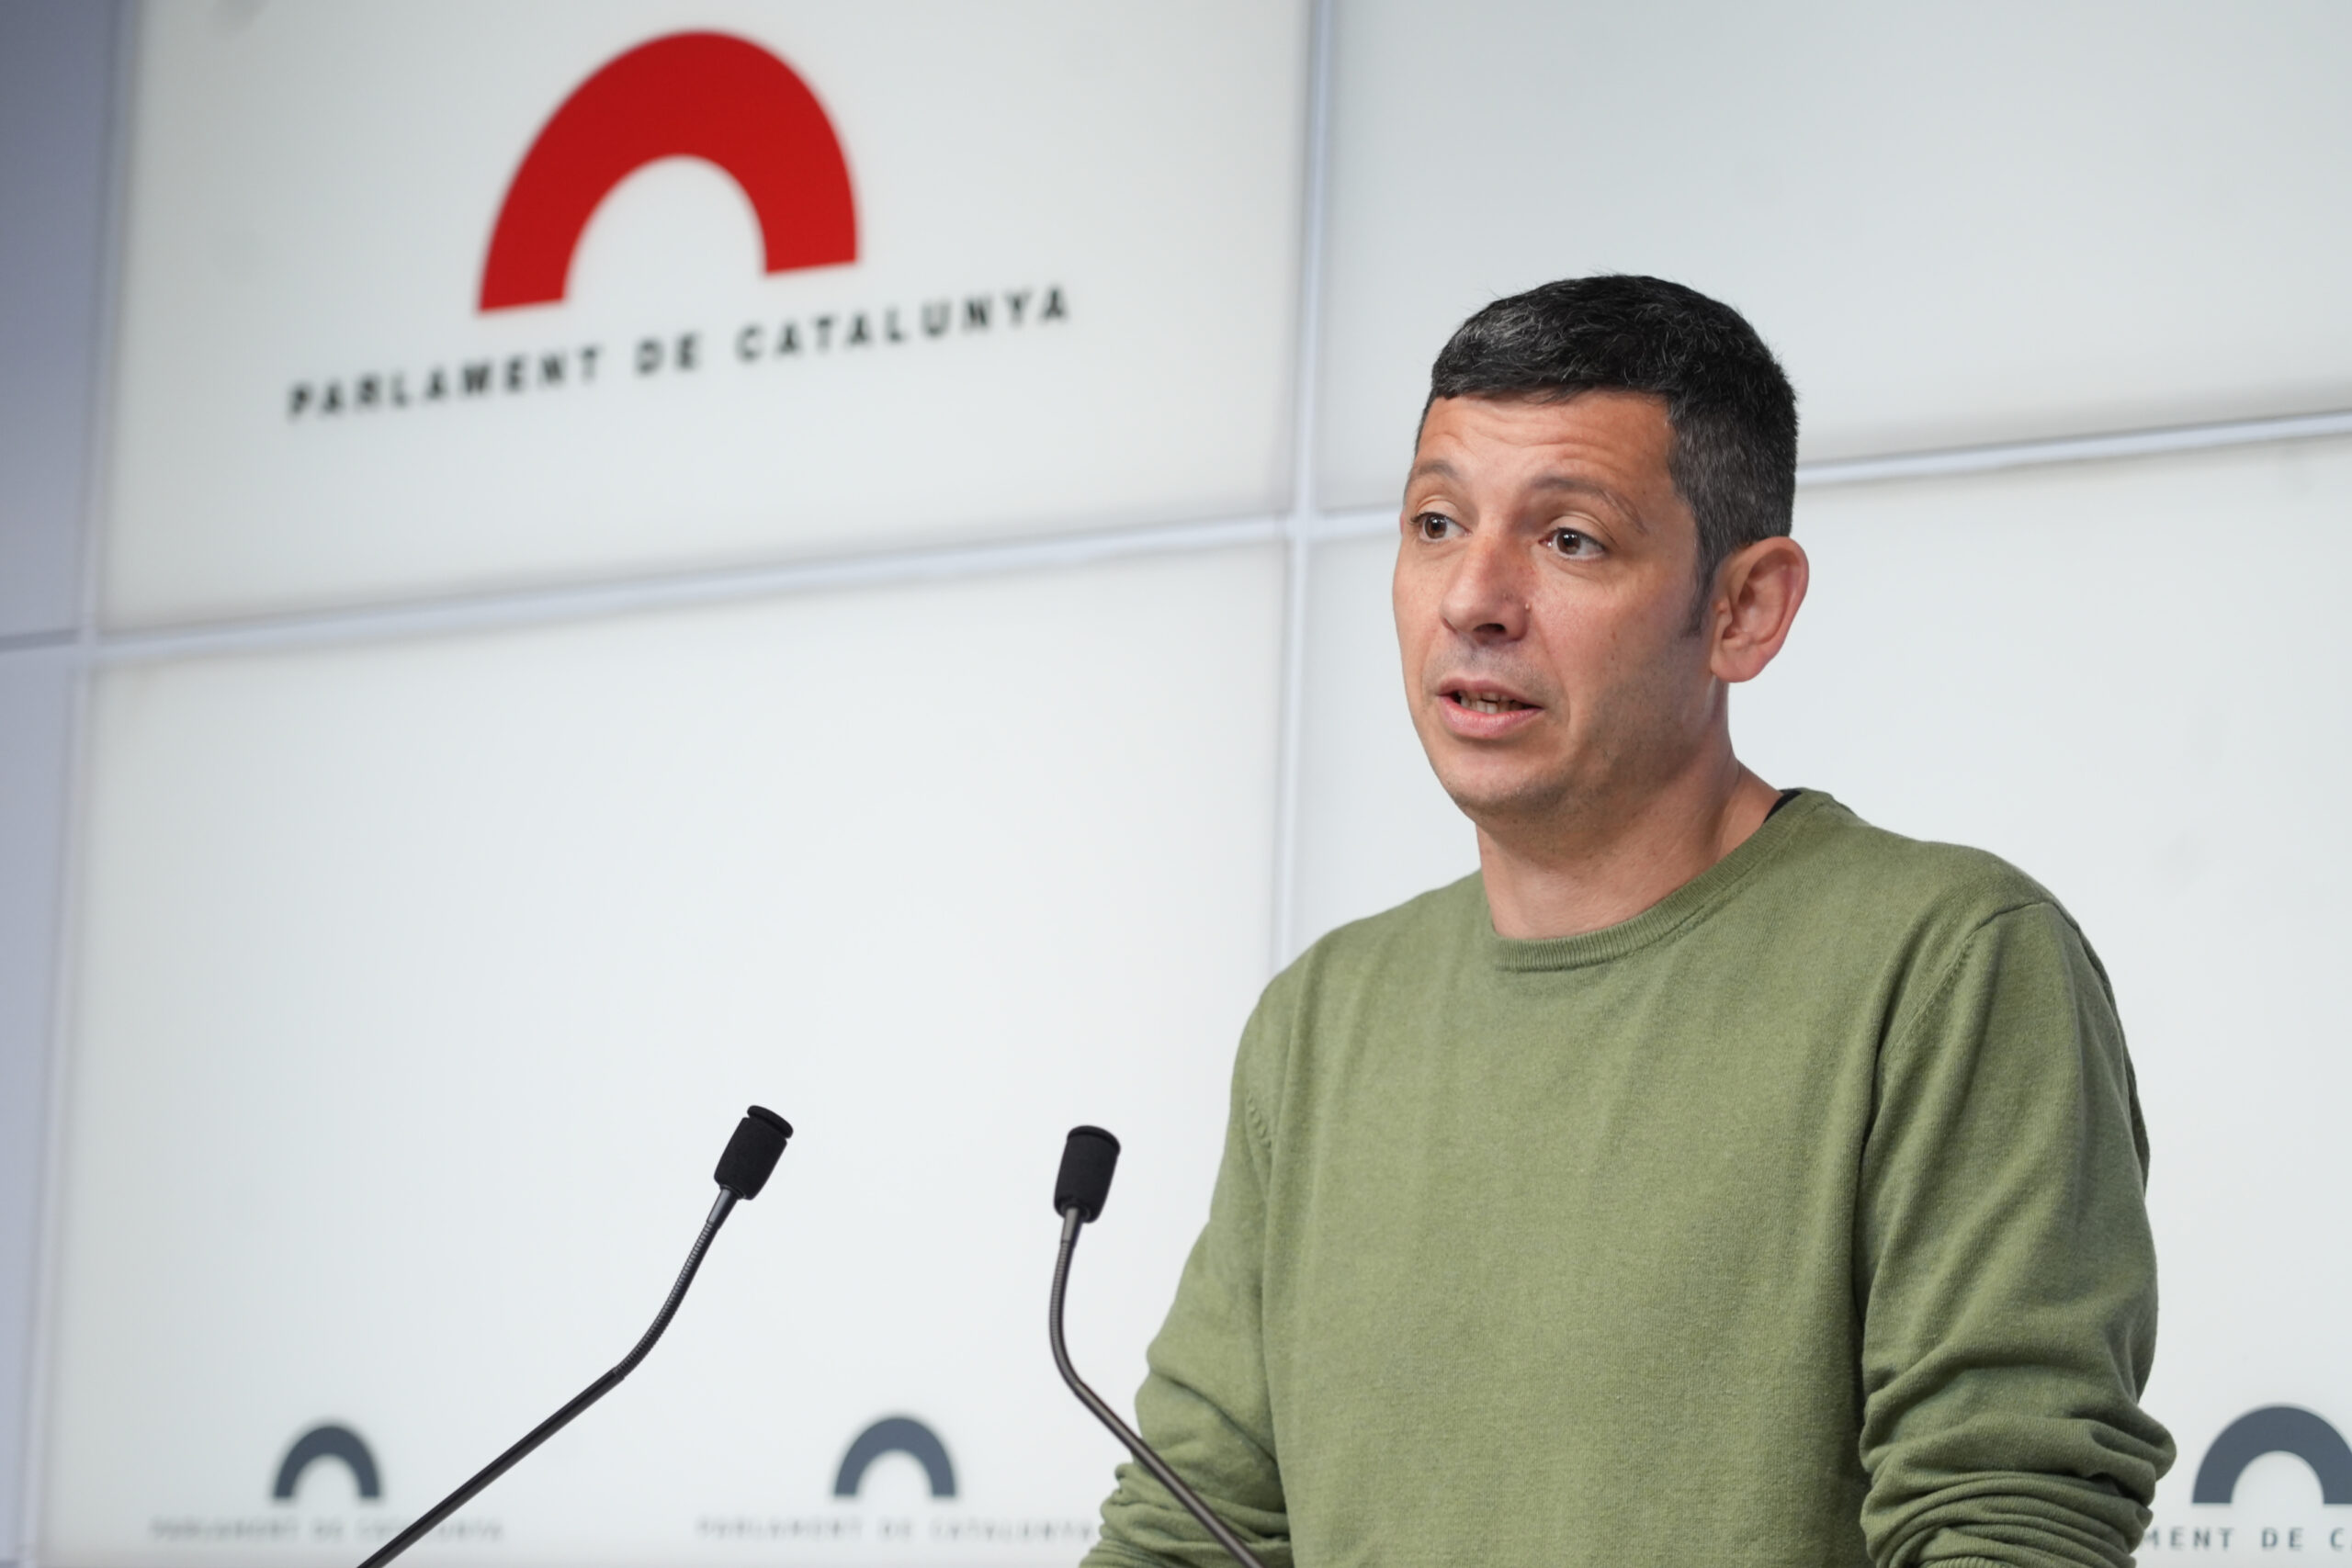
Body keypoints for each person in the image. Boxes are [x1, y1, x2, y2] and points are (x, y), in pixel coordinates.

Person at [1080, 276, 2173, 1568]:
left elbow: (2007, 1519)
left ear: (1744, 609)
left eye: (1570, 539)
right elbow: (1190, 1528)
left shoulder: (1950, 965)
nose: (1472, 599)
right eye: (1436, 523)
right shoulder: (1324, 1013)